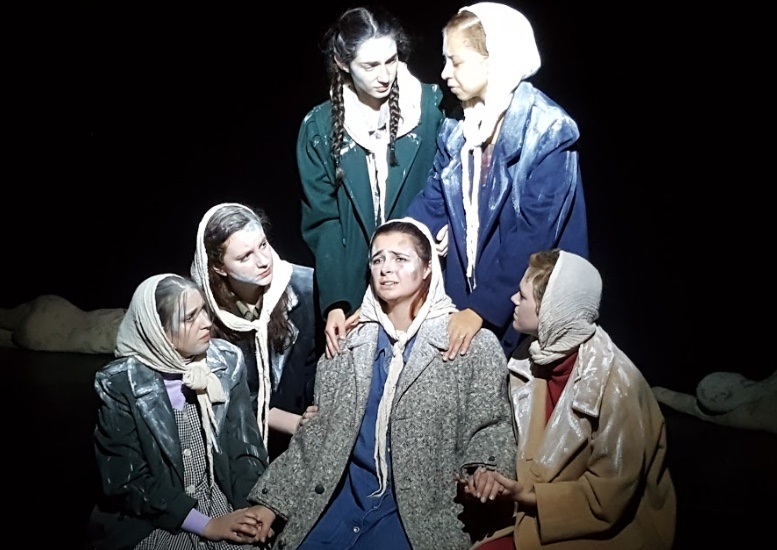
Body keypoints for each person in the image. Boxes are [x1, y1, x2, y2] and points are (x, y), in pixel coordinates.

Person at [243, 218, 516, 550]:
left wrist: (486, 468)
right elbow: (316, 438)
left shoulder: (470, 344)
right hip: (341, 504)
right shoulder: (346, 346)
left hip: (415, 515)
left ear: (428, 267)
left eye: (400, 258)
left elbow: (491, 423)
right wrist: (271, 503)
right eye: (378, 259)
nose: (386, 268)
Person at [406, 2, 588, 361]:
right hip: (469, 297)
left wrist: (481, 309)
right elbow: (433, 200)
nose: (445, 73)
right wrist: (396, 248)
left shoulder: (549, 130)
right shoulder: (458, 126)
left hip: (530, 307)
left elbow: (534, 234)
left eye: (456, 61)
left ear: (494, 59)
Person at [462, 249, 676, 549]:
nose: (513, 299)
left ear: (551, 309)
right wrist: (489, 475)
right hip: (535, 513)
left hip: (603, 528)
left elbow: (608, 497)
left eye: (523, 296)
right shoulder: (529, 357)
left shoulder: (618, 385)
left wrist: (527, 495)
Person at [297, 5, 446, 359]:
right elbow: (324, 220)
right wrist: (336, 301)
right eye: (370, 66)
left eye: (391, 61)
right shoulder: (319, 128)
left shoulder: (429, 108)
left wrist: (444, 225)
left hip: (424, 281)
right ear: (342, 62)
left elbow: (446, 181)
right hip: (356, 286)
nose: (385, 75)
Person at [87, 274, 268, 550]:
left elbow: (245, 448)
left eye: (204, 310)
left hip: (222, 502)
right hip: (154, 517)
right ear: (158, 330)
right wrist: (206, 525)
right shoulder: (120, 382)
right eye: (189, 318)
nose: (206, 322)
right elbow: (126, 481)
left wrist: (250, 511)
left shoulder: (226, 362)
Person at [191, 202, 321, 460]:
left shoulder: (308, 288)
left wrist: (313, 414)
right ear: (218, 267)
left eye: (263, 245)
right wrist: (292, 423)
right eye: (245, 257)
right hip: (238, 441)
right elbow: (225, 393)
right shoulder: (205, 313)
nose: (263, 261)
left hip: (307, 439)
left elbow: (318, 364)